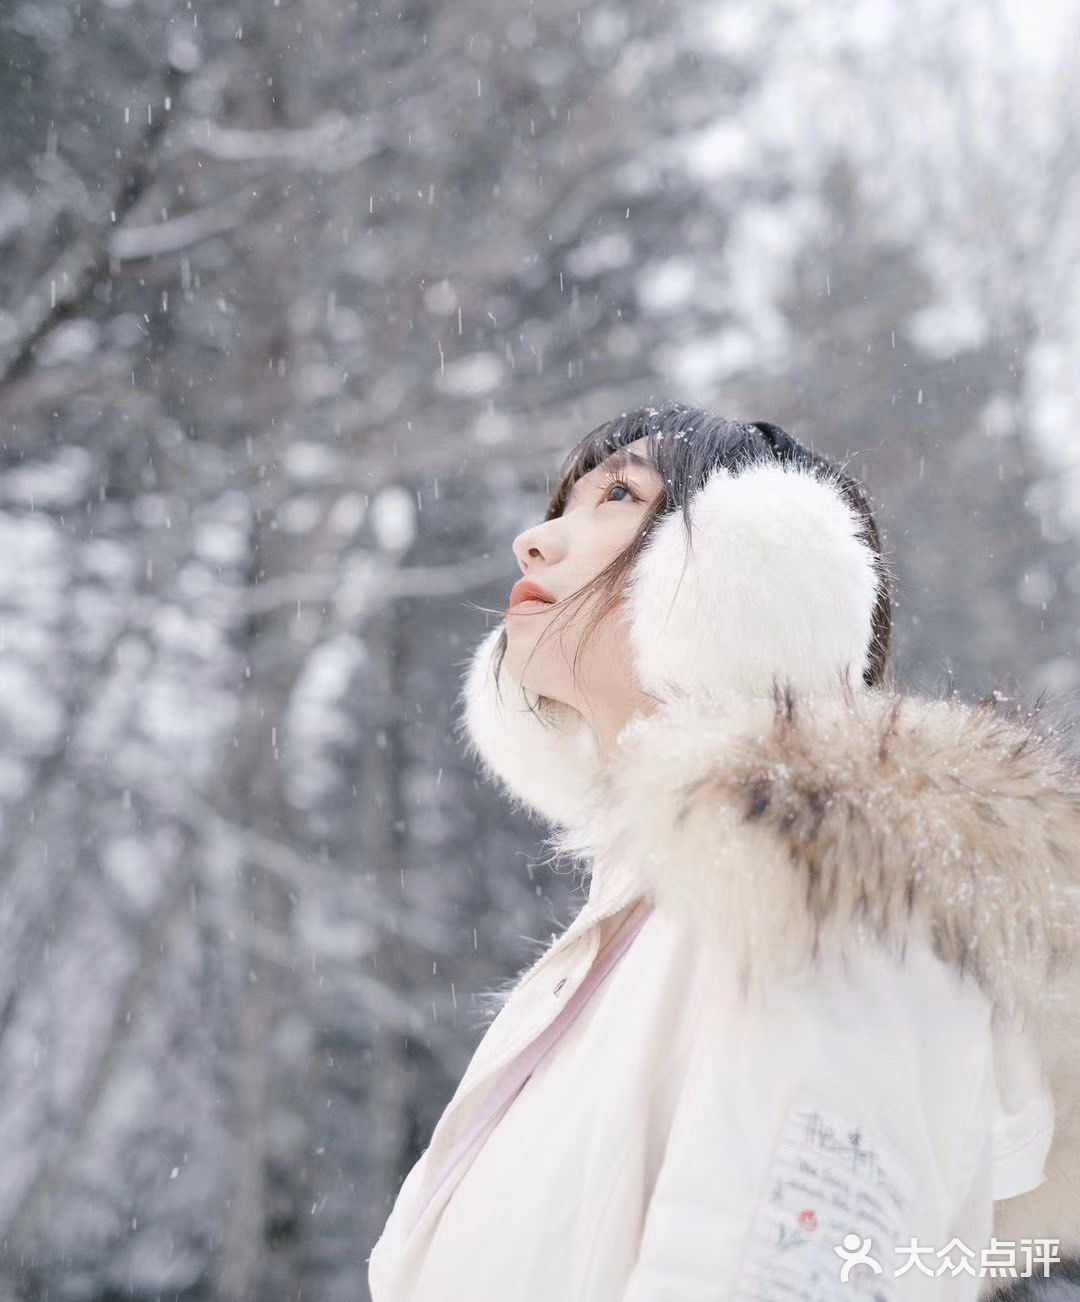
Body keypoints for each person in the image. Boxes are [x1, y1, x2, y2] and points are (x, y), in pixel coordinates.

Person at [367, 401, 1080, 1301]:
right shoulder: (638, 927)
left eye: (616, 496)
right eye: (564, 502)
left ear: (750, 568)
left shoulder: (832, 887)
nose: (534, 540)